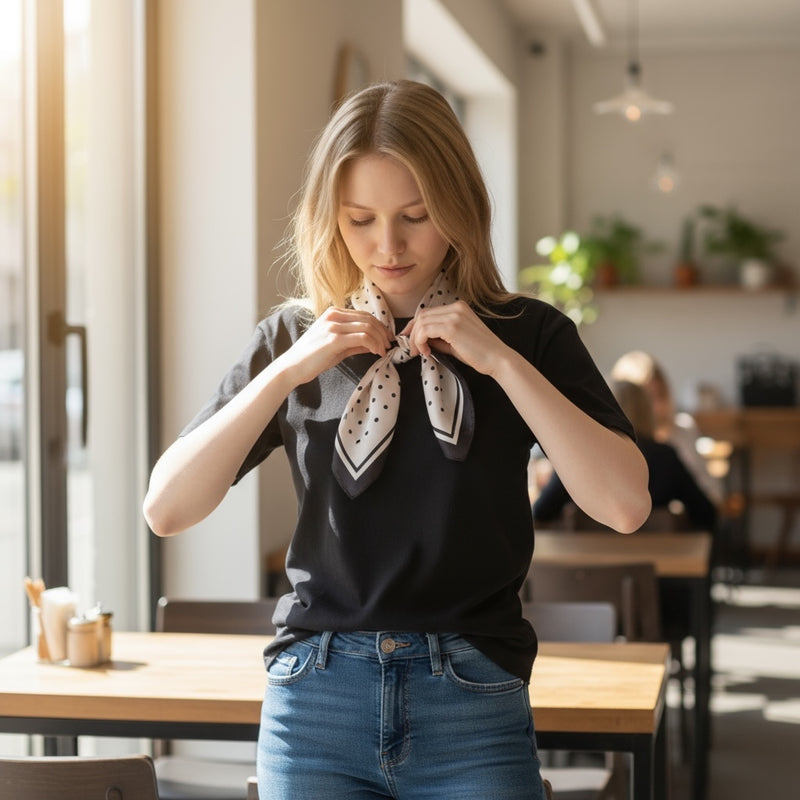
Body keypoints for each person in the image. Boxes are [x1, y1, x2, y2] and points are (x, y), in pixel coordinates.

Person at [143, 80, 650, 800]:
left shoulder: (528, 334)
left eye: (416, 215)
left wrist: (502, 363)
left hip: (472, 695)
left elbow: (626, 504)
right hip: (316, 698)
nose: (388, 246)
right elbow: (166, 509)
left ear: (459, 206)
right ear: (331, 218)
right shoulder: (295, 340)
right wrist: (285, 373)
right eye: (360, 220)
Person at [534, 378, 718, 532]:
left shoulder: (580, 458)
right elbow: (706, 515)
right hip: (656, 568)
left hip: (586, 571)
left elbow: (541, 512)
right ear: (648, 412)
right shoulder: (665, 457)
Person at [610, 349, 726, 507]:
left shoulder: (681, 434)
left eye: (659, 395)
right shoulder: (614, 447)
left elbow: (711, 496)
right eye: (646, 398)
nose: (655, 407)